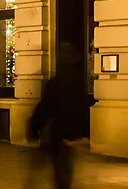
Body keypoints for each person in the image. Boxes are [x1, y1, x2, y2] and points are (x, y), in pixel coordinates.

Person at [29, 43, 90, 189]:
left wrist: (35, 126)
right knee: (65, 169)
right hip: (71, 132)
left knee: (58, 170)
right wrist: (81, 133)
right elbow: (81, 108)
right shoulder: (79, 83)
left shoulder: (55, 83)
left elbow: (45, 107)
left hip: (58, 132)